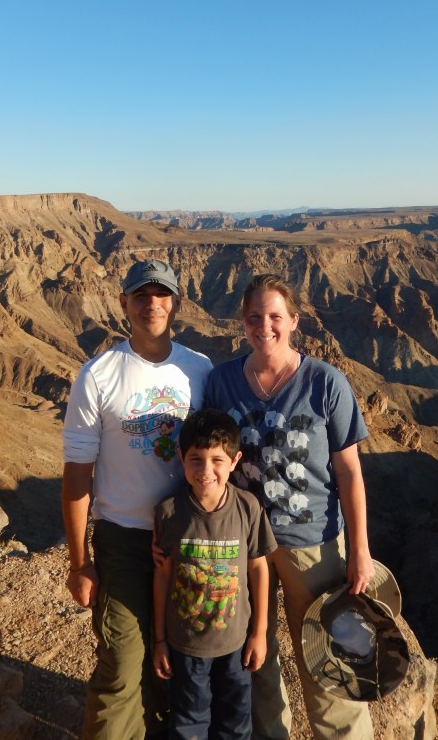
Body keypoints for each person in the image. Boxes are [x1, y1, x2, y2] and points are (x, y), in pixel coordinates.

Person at [204, 273, 376, 740]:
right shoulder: (221, 383)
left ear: (294, 321)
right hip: (244, 547)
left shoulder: (325, 382)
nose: (266, 326)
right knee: (254, 657)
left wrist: (358, 550)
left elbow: (349, 473)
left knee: (329, 660)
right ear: (243, 321)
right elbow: (206, 462)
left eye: (276, 316)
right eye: (255, 317)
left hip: (313, 546)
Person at [62, 259, 213, 740]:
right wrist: (79, 561)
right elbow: (77, 473)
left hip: (188, 541)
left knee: (180, 668)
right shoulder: (98, 374)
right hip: (124, 542)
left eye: (162, 295)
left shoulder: (200, 371)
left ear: (177, 304)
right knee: (122, 667)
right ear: (123, 302)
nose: (152, 304)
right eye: (141, 295)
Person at [152, 408, 277, 740]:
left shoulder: (248, 508)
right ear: (181, 458)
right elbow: (163, 577)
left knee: (235, 721)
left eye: (217, 460)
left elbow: (258, 568)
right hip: (187, 646)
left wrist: (259, 633)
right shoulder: (169, 512)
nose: (206, 470)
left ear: (234, 461)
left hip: (235, 645)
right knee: (189, 721)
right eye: (196, 459)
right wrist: (160, 640)